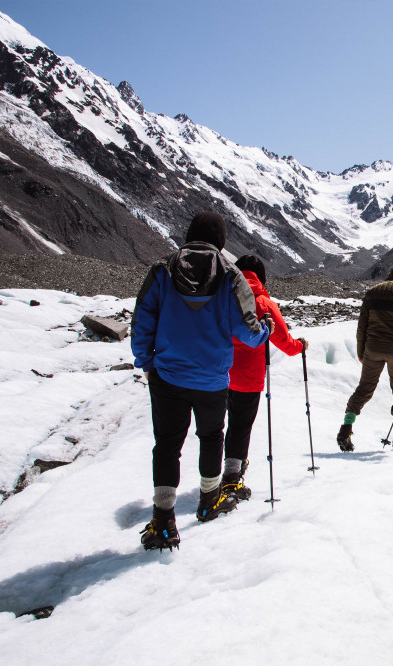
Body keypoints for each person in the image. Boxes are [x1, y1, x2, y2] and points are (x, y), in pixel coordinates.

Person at [132, 211, 273, 552]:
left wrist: (146, 362)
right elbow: (247, 330)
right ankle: (209, 499)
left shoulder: (162, 269)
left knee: (167, 444)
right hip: (212, 377)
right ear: (221, 240)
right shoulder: (230, 275)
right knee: (211, 437)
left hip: (168, 375)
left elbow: (142, 320)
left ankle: (164, 519)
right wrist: (265, 329)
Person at [222, 255, 306, 501]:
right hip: (248, 376)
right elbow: (284, 341)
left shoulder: (223, 296)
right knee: (240, 425)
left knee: (221, 424)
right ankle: (231, 477)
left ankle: (224, 472)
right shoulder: (262, 302)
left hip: (218, 370)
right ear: (261, 277)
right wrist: (299, 347)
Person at [337, 261, 393, 451]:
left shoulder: (372, 292)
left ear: (389, 273)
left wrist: (361, 351)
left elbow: (362, 326)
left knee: (365, 387)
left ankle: (345, 429)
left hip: (372, 348)